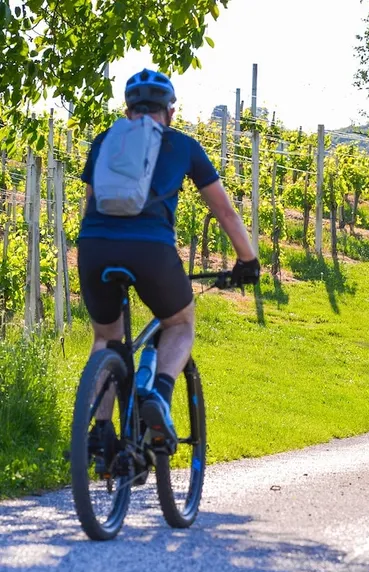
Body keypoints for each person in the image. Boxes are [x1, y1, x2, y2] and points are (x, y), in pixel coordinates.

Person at [77, 68, 259, 459]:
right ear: (170, 112)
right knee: (179, 322)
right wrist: (248, 260)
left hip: (94, 247)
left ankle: (100, 432)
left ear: (128, 111)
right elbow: (225, 211)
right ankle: (159, 395)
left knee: (106, 338)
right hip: (150, 250)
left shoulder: (105, 141)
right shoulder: (183, 145)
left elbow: (89, 201)